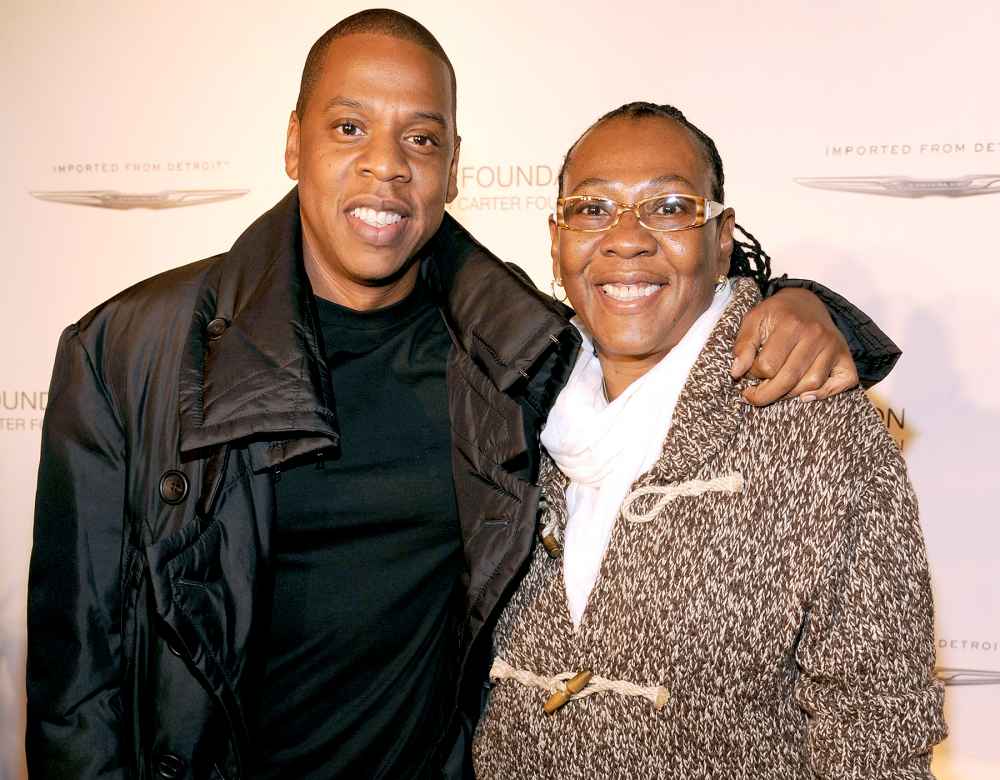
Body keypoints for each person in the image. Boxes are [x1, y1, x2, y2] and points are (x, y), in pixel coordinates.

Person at [26, 11, 901, 780]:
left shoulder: (508, 342)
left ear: (452, 167)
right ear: (293, 143)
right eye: (347, 128)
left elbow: (657, 305)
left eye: (421, 139)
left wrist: (813, 308)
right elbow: (78, 679)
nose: (386, 168)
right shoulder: (130, 350)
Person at [472, 102, 946, 779]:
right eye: (593, 209)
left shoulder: (817, 428)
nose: (626, 238)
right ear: (556, 239)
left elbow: (876, 737)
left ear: (721, 238)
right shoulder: (503, 403)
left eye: (668, 207)